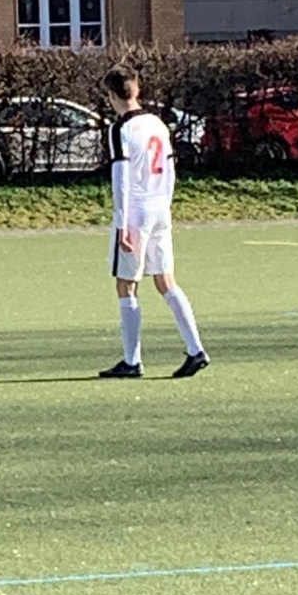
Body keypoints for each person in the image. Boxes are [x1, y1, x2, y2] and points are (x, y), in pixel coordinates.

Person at [99, 65, 208, 379]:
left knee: (126, 284)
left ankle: (132, 361)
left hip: (136, 211)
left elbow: (121, 178)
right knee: (165, 280)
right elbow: (170, 169)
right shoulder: (157, 123)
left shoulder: (120, 129)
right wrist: (166, 204)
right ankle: (196, 349)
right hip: (160, 206)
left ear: (112, 96)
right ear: (137, 89)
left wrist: (122, 224)